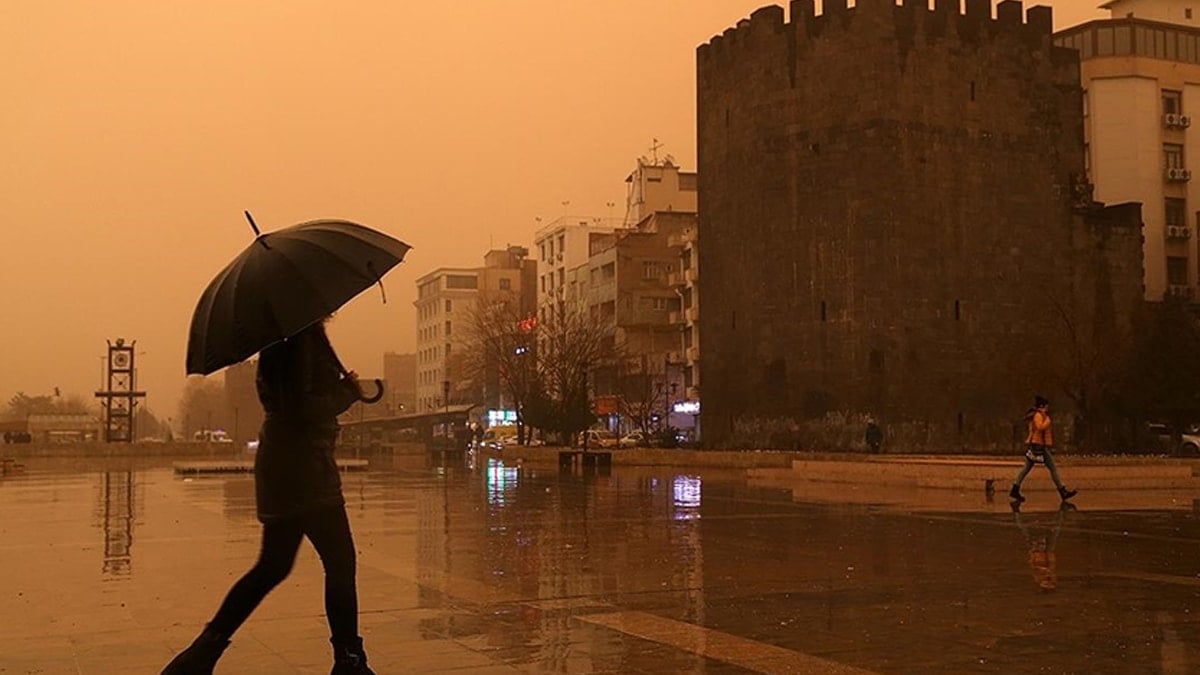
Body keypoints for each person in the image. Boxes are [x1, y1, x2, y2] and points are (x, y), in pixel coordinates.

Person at [163, 319, 374, 675]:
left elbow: (297, 401)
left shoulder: (284, 338)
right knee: (339, 563)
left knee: (272, 566)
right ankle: (348, 661)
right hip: (305, 468)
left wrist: (339, 388)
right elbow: (303, 408)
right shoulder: (300, 338)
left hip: (288, 465)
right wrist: (347, 392)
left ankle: (200, 655)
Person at [1010, 396, 1077, 503]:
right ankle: (1062, 491)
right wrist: (1048, 421)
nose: (1048, 408)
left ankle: (1015, 488)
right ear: (1042, 406)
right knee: (1052, 468)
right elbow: (1040, 427)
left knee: (1026, 468)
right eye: (1046, 406)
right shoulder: (1038, 415)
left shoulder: (1038, 415)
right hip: (1039, 446)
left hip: (1037, 444)